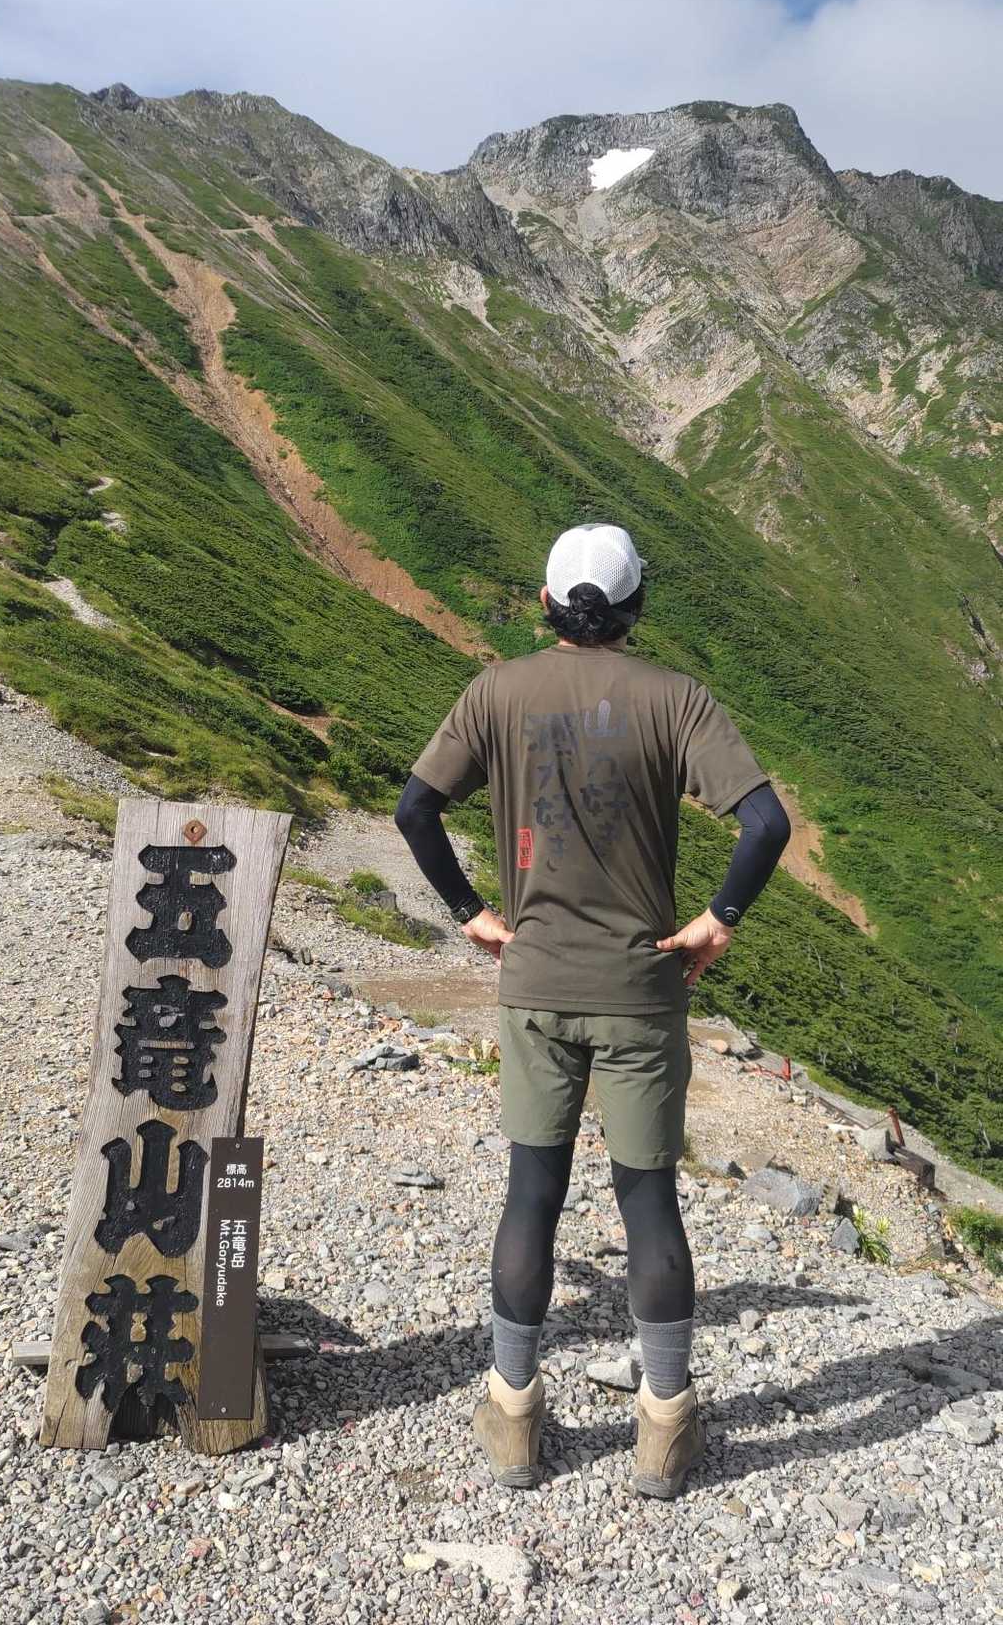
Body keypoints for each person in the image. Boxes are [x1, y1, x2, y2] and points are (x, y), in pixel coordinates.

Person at [394, 523, 790, 1498]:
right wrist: (717, 922)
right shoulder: (676, 699)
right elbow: (765, 824)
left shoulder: (497, 693)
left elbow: (415, 810)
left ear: (546, 604)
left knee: (532, 1194)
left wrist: (472, 914)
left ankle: (514, 1419)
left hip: (534, 983)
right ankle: (664, 1428)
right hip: (640, 990)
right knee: (647, 1199)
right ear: (636, 606)